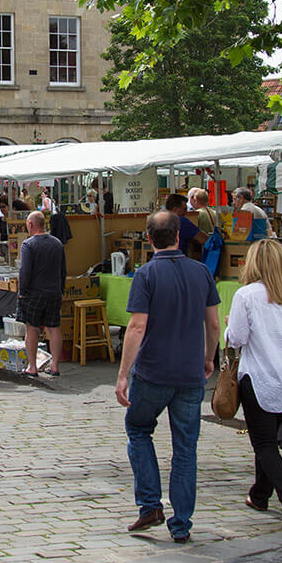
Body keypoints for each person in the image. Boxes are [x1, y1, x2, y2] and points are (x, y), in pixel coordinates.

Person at [116, 210, 220, 543]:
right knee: (185, 448)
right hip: (190, 373)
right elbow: (214, 324)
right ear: (180, 236)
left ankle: (150, 503)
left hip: (154, 372)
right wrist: (208, 357)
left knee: (138, 427)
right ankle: (182, 522)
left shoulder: (146, 275)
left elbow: (136, 326)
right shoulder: (202, 272)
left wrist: (123, 375)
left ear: (149, 239)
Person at [224, 240, 282, 530]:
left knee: (263, 443)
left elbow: (236, 338)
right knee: (269, 440)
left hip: (258, 377)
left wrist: (228, 325)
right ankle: (260, 494)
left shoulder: (246, 295)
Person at [18, 211, 66, 378]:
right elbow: (63, 270)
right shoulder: (57, 243)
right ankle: (54, 366)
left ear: (30, 224)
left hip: (34, 293)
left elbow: (25, 271)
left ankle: (33, 367)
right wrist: (61, 289)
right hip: (54, 291)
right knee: (54, 328)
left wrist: (22, 291)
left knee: (32, 328)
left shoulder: (28, 245)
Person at [165, 193, 207, 258]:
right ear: (175, 209)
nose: (186, 213)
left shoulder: (158, 220)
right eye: (184, 209)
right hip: (177, 261)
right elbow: (204, 239)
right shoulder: (181, 221)